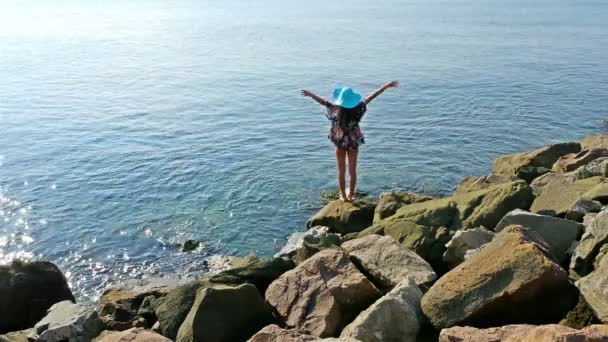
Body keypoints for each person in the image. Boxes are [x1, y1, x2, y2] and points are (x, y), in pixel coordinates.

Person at [301, 81, 399, 202]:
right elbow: (371, 97)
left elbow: (323, 102)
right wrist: (385, 86)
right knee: (353, 171)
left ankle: (343, 196)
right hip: (353, 142)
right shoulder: (359, 108)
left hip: (340, 142)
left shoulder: (335, 109)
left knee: (341, 170)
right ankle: (351, 196)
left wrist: (310, 94)